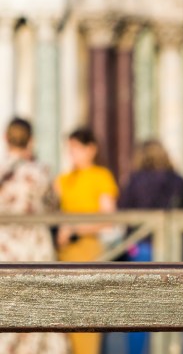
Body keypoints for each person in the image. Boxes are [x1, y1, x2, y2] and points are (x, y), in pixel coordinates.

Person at [0, 118, 69, 354]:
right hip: (35, 247)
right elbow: (53, 208)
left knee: (7, 308)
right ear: (31, 140)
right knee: (40, 310)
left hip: (5, 247)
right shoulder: (40, 172)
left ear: (4, 138)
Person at [55, 127, 119, 354]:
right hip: (62, 253)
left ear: (91, 149)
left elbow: (107, 218)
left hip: (88, 250)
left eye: (77, 149)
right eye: (70, 149)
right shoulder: (63, 179)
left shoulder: (101, 176)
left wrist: (76, 229)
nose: (72, 154)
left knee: (85, 316)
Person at [118, 139, 183, 354]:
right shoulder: (177, 180)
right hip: (170, 248)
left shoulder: (135, 180)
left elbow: (122, 209)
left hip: (140, 247)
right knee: (170, 305)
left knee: (138, 308)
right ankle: (171, 348)